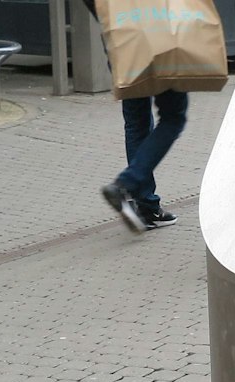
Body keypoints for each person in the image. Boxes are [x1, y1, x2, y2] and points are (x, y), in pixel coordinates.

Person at [88, 0, 189, 233]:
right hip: (159, 39)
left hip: (121, 42)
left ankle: (145, 205)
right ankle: (127, 185)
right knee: (173, 117)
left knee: (136, 121)